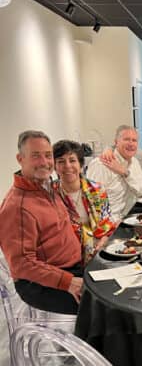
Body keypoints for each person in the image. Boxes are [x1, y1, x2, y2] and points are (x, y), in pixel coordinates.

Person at [0, 130, 83, 315]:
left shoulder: (46, 186)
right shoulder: (16, 206)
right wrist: (68, 282)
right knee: (107, 308)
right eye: (36, 156)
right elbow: (22, 264)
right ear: (20, 159)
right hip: (41, 285)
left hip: (71, 268)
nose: (45, 162)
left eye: (48, 155)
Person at [53, 140, 116, 264]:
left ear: (81, 165)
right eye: (61, 161)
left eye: (72, 160)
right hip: (66, 260)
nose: (67, 166)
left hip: (98, 253)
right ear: (55, 167)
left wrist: (103, 242)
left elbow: (106, 226)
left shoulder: (97, 190)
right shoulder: (49, 195)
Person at [87, 125, 142, 220]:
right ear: (116, 142)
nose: (131, 144)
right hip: (110, 224)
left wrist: (125, 173)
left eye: (134, 140)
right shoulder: (102, 164)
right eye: (126, 139)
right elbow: (93, 202)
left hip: (130, 217)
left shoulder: (134, 162)